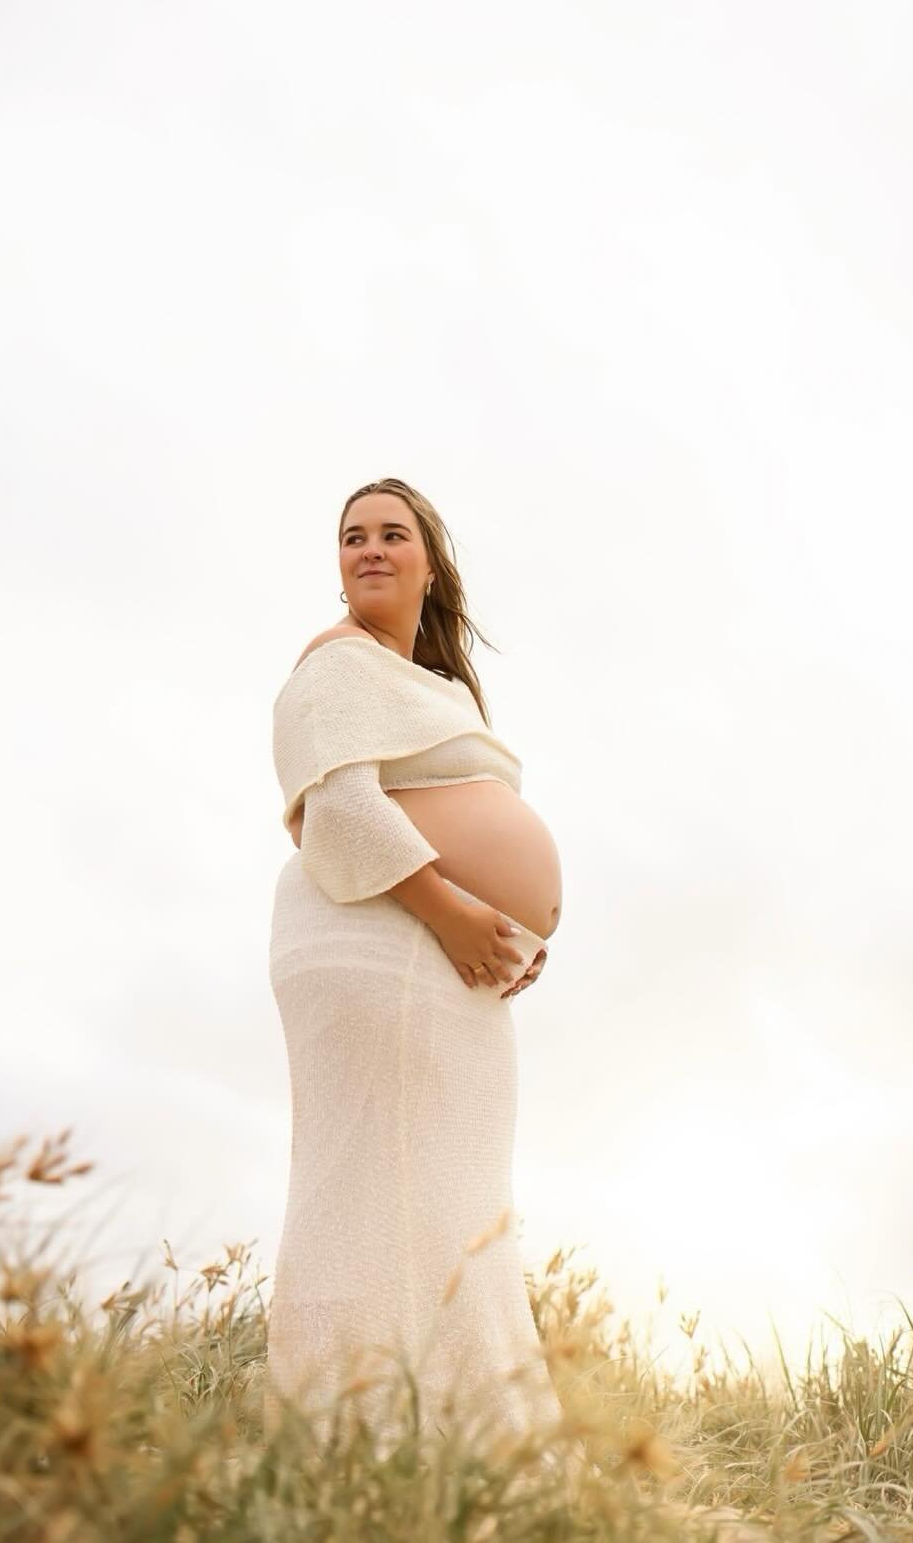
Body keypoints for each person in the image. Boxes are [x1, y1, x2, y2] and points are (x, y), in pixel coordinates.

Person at [263, 477, 566, 1454]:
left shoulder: (435, 689)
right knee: (377, 1183)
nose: (372, 549)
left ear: (431, 565)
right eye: (354, 537)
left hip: (441, 949)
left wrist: (511, 931)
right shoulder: (335, 662)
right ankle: (358, 1431)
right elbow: (338, 810)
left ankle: (454, 1430)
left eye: (394, 534)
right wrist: (456, 913)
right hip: (376, 937)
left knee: (455, 1188)